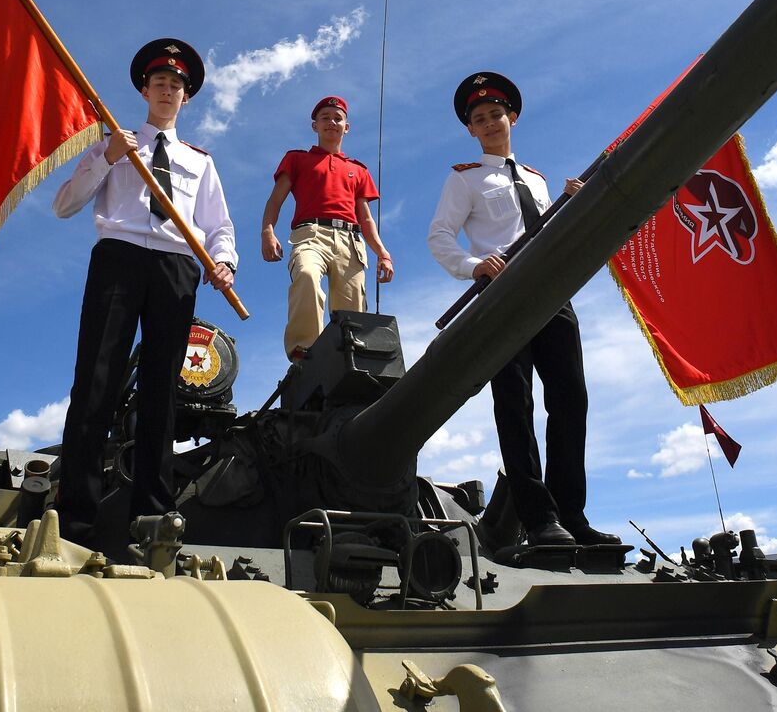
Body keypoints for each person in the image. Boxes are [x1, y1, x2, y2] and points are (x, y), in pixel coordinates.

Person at [51, 38, 238, 543]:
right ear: (143, 89)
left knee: (163, 391)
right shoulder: (116, 143)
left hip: (177, 268)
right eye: (160, 82)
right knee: (97, 381)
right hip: (119, 259)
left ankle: (151, 513)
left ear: (187, 96)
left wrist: (224, 263)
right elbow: (64, 205)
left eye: (177, 85)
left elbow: (218, 225)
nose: (168, 90)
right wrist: (107, 158)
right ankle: (76, 518)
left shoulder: (200, 160)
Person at [427, 72, 619, 547]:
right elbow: (440, 237)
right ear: (471, 130)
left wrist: (570, 205)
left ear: (511, 118)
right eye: (479, 119)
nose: (490, 123)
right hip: (503, 296)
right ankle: (539, 518)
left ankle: (572, 515)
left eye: (496, 114)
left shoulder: (537, 179)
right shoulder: (464, 178)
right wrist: (475, 266)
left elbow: (549, 232)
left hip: (553, 293)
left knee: (570, 400)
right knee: (516, 405)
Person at [261, 95, 393, 360]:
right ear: (315, 126)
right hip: (311, 235)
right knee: (307, 275)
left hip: (350, 240)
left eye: (337, 118)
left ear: (347, 126)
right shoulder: (297, 159)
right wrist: (267, 231)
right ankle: (304, 352)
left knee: (351, 309)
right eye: (325, 118)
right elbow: (276, 199)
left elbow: (365, 218)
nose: (331, 122)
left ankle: (349, 359)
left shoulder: (358, 170)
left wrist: (383, 253)